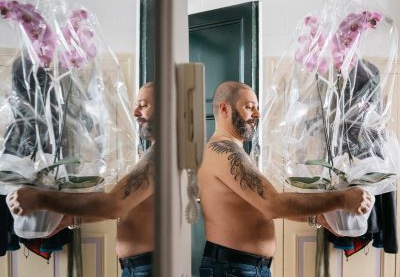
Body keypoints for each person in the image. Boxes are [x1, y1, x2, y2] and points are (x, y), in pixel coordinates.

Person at [198, 81, 373, 277]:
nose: (257, 114)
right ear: (224, 109)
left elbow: (258, 207)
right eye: (249, 107)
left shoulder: (233, 151)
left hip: (242, 267)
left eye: (257, 107)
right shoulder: (225, 152)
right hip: (232, 268)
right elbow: (274, 205)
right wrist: (343, 198)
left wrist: (317, 218)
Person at [7, 82, 155, 277]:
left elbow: (114, 205)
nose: (135, 111)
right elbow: (129, 208)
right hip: (138, 267)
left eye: (143, 105)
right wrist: (70, 219)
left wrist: (39, 199)